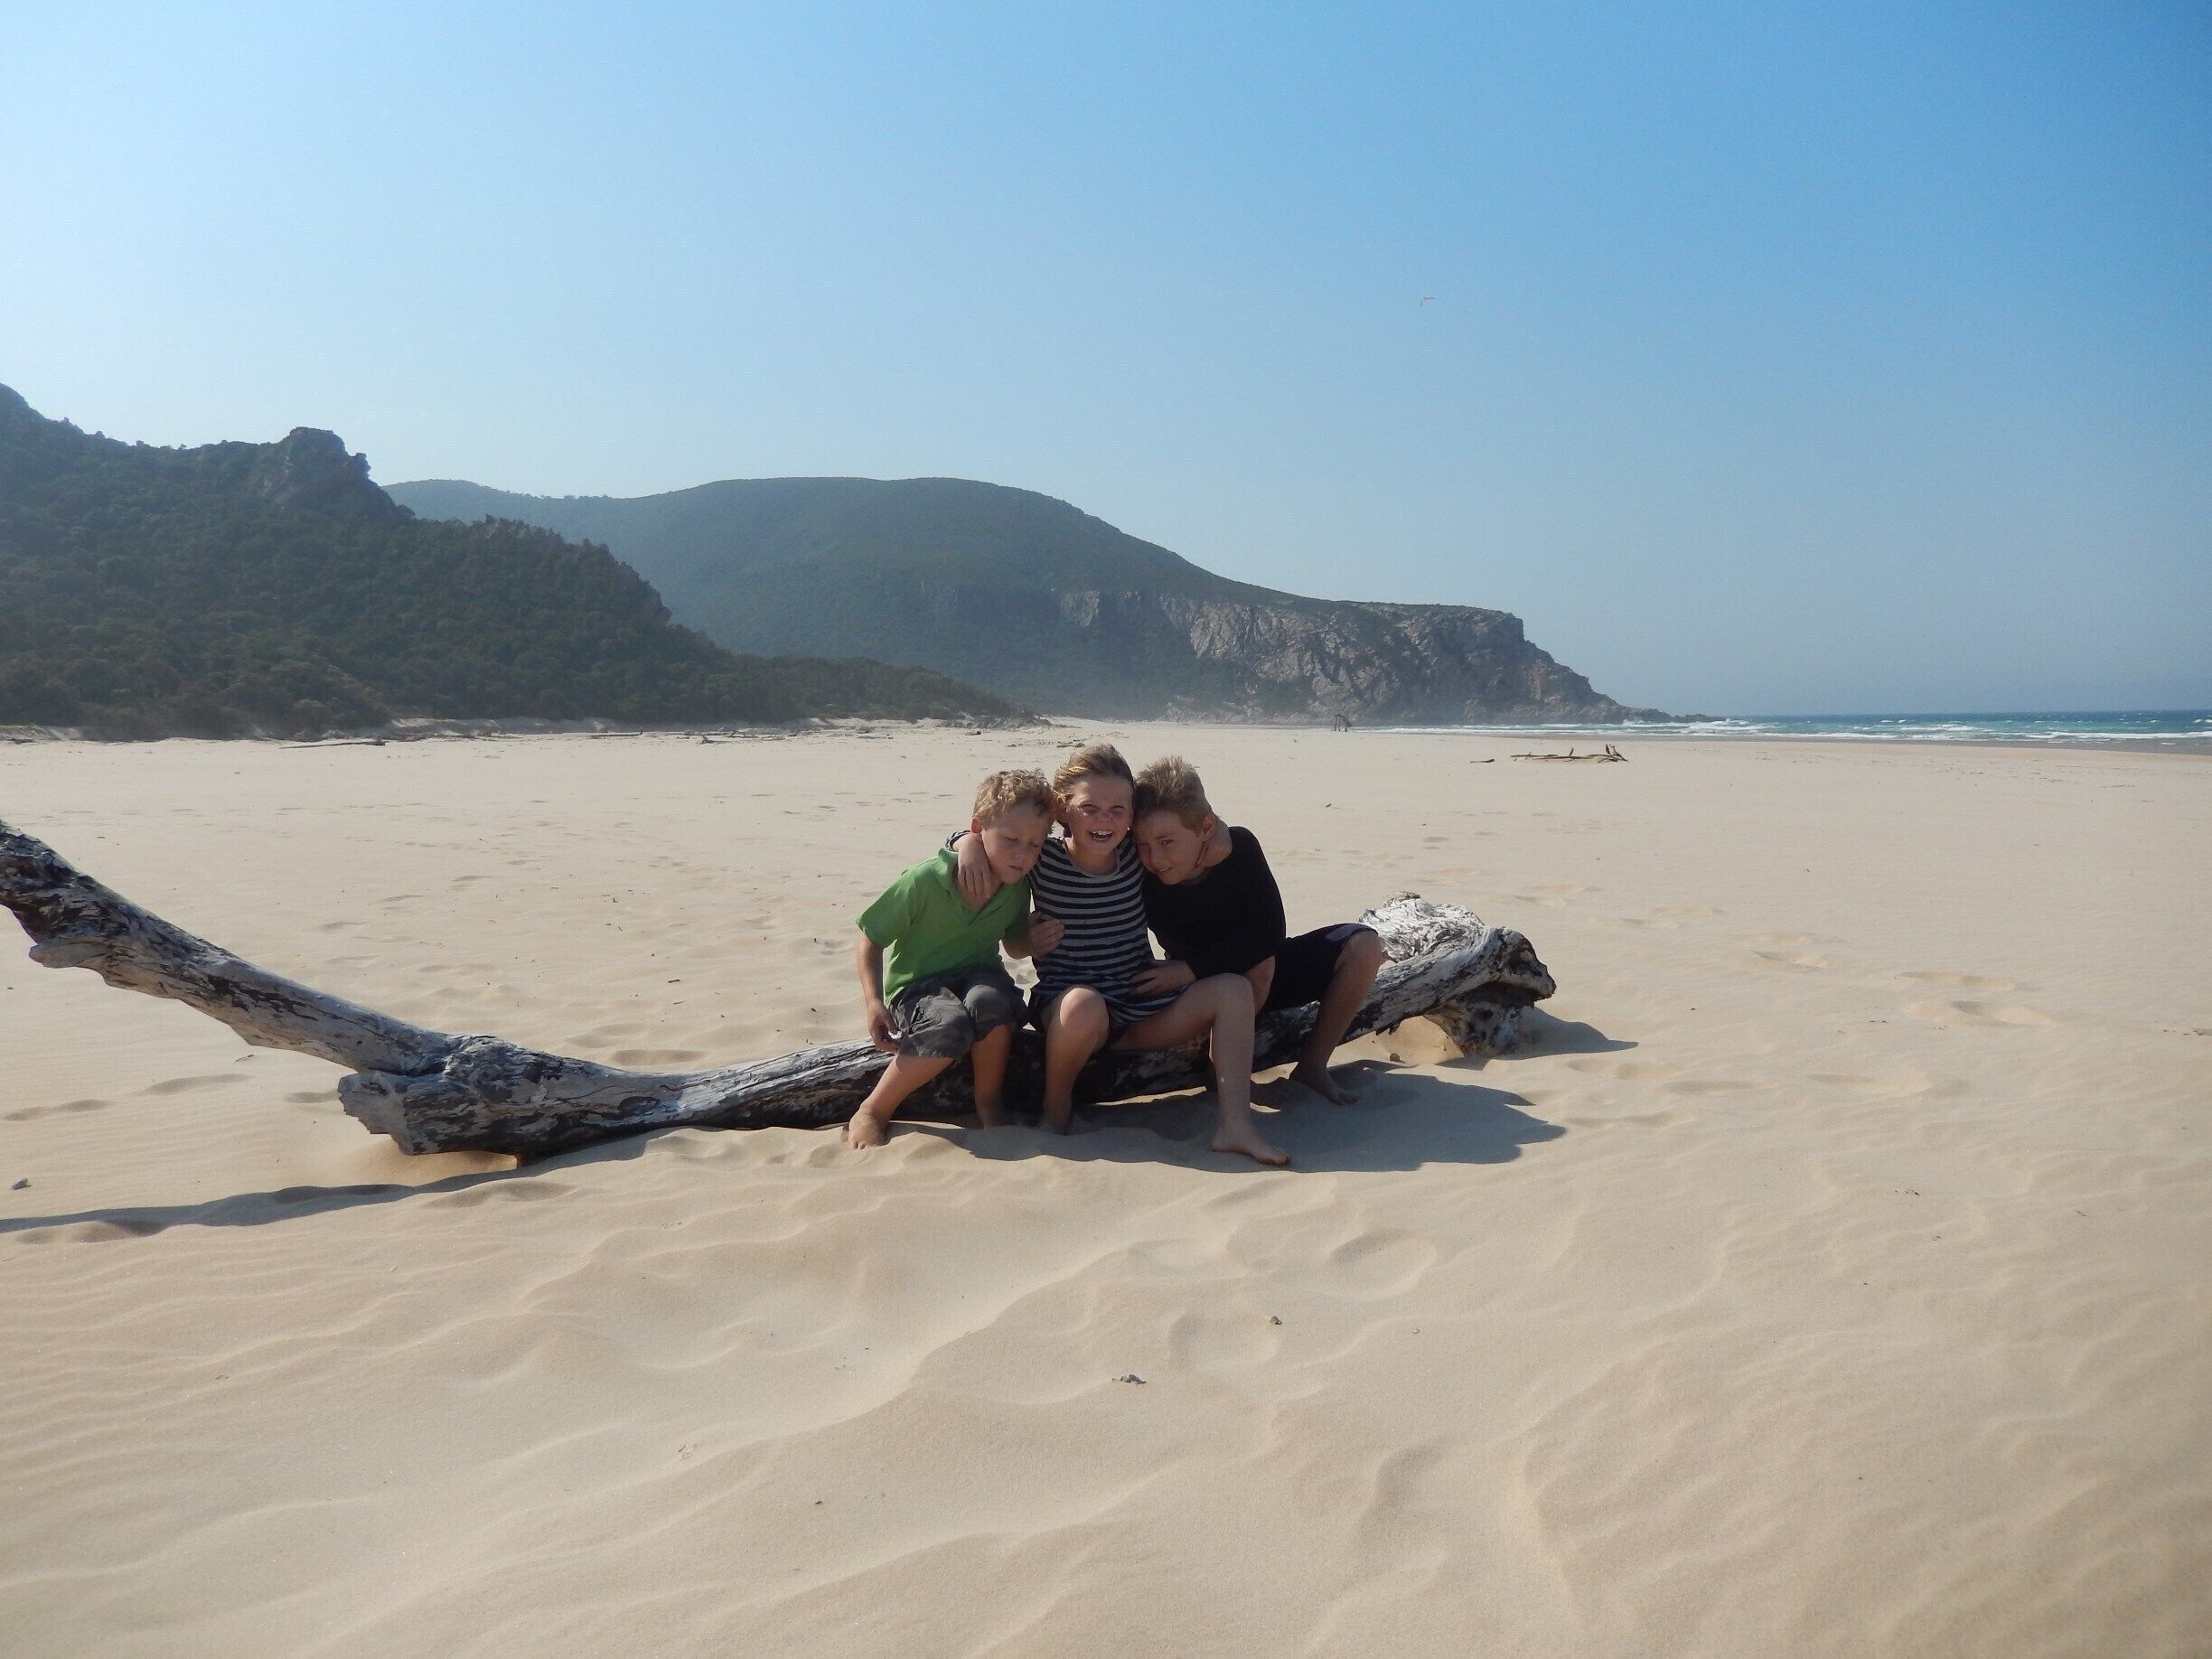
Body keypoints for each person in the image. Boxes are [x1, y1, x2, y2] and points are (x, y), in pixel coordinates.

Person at [953, 743, 1287, 1167]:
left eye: (1118, 809)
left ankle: (1235, 1124)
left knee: (1234, 989)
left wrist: (1220, 829)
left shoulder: (1136, 855)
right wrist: (966, 841)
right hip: (1071, 1012)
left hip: (1139, 1005)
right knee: (1083, 1004)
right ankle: (1057, 1111)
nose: (1104, 820)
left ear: (1132, 815)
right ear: (1061, 810)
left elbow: (1187, 821)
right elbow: (995, 838)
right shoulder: (1041, 858)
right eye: (1089, 807)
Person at [1131, 755, 1385, 1106]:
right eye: (1143, 844)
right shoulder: (1139, 873)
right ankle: (1223, 1076)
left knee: (1364, 945)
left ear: (1204, 829)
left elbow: (1269, 934)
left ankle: (1312, 1066)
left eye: (1167, 842)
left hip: (1246, 971)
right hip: (1201, 994)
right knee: (1254, 970)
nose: (1155, 857)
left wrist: (1189, 968)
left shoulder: (1239, 848)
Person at [846, 770, 1053, 1149]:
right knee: (949, 1024)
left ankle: (988, 1101)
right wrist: (874, 1002)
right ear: (978, 829)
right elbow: (869, 938)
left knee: (993, 1003)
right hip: (918, 985)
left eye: (1035, 844)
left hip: (979, 975)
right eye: (1010, 839)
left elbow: (1013, 946)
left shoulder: (1015, 888)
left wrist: (1032, 940)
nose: (1023, 854)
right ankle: (875, 1108)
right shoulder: (927, 880)